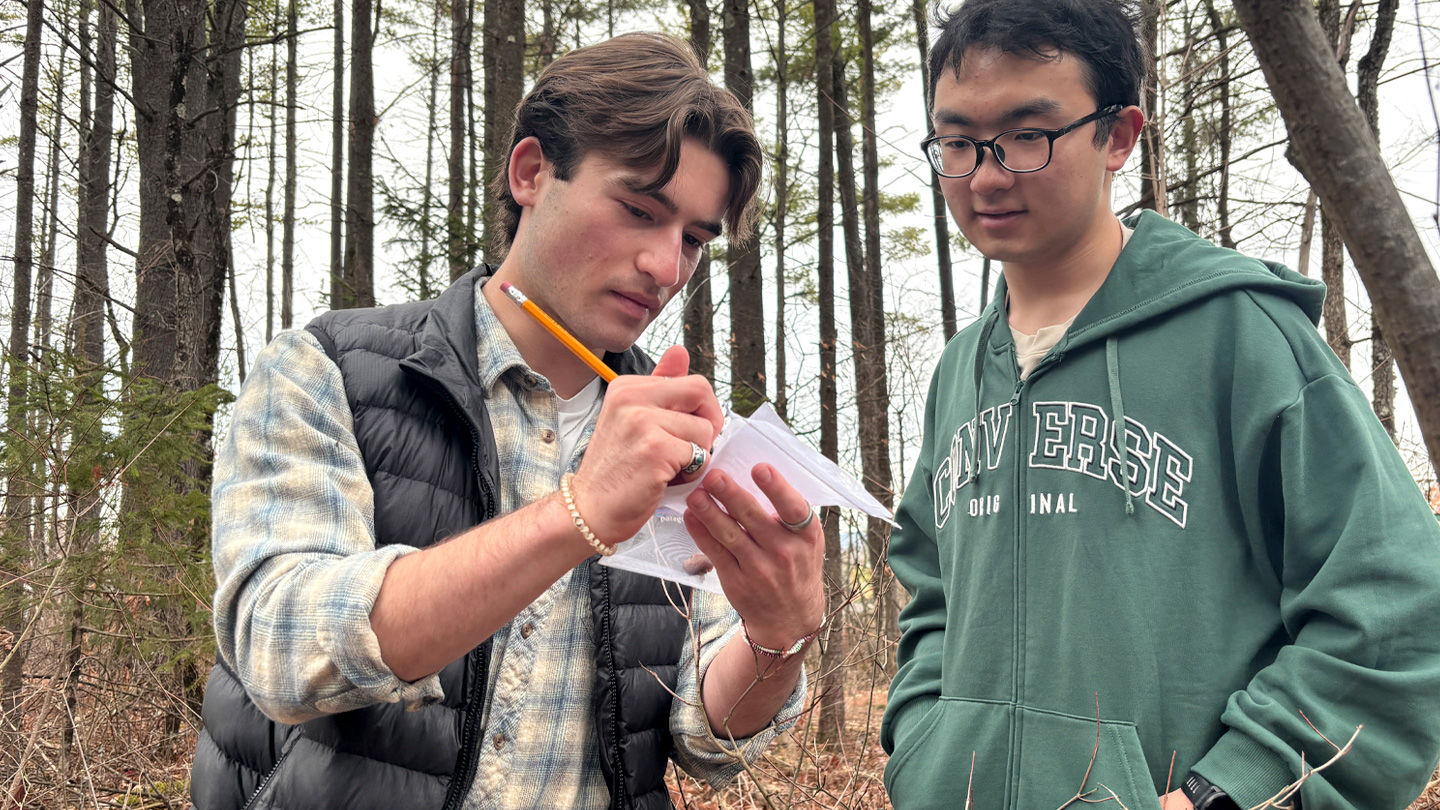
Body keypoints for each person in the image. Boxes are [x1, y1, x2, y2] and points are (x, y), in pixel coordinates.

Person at [191, 32, 827, 810]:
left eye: (693, 240)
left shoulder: (684, 444)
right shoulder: (330, 370)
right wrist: (576, 514)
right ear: (531, 172)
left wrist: (777, 639)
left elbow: (704, 737)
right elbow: (280, 648)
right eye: (638, 209)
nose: (667, 268)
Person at [881, 2, 1440, 809]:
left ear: (1119, 135)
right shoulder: (960, 372)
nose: (988, 176)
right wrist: (924, 748)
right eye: (959, 142)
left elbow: (1397, 606)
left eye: (1028, 136)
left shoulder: (1242, 337)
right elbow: (932, 599)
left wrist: (1229, 792)